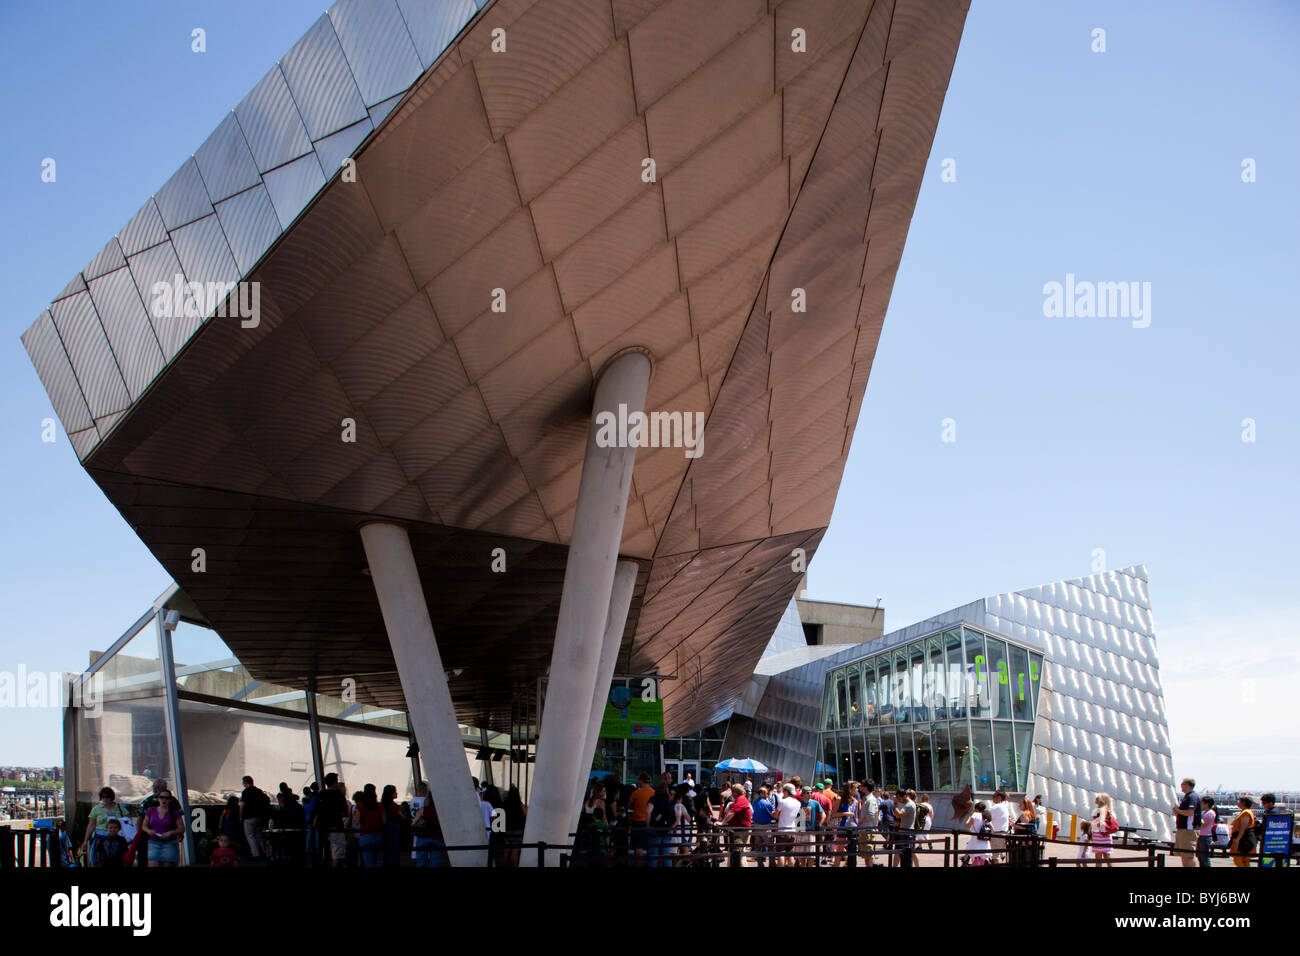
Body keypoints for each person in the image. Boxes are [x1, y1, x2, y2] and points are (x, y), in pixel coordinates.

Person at [83, 786, 132, 867]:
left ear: (111, 797)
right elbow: (91, 825)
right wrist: (85, 840)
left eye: (107, 797)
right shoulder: (97, 809)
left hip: (116, 836)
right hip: (100, 836)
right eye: (102, 797)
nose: (105, 799)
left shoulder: (119, 808)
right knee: (96, 858)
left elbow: (128, 820)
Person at [311, 772, 348, 868]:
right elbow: (345, 812)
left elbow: (316, 810)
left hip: (322, 827)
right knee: (338, 854)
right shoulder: (338, 795)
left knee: (325, 852)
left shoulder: (320, 795)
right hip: (336, 827)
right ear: (335, 782)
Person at [142, 789, 185, 867]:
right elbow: (144, 825)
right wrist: (149, 831)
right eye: (162, 797)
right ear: (158, 799)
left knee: (167, 864)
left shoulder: (174, 812)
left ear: (170, 800)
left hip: (169, 843)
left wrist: (170, 833)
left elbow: (182, 828)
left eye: (167, 798)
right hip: (153, 842)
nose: (164, 800)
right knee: (152, 864)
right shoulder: (151, 810)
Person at [352, 788, 386, 867]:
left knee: (368, 862)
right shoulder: (380, 806)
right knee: (375, 860)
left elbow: (357, 821)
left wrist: (354, 815)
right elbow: (384, 821)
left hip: (365, 836)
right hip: (378, 836)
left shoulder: (360, 805)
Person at [239, 775, 271, 860]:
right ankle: (263, 852)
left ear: (246, 782)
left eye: (243, 783)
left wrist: (240, 816)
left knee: (250, 835)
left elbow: (242, 805)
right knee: (258, 835)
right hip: (259, 817)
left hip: (249, 817)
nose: (243, 784)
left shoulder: (246, 792)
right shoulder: (259, 791)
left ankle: (255, 854)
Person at [1171, 777, 1201, 867]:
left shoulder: (1192, 797)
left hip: (1188, 830)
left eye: (1182, 784)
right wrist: (1177, 812)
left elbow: (1190, 812)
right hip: (1183, 829)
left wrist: (1178, 810)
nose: (1181, 786)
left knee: (1188, 856)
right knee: (1184, 855)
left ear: (1188, 785)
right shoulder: (1187, 797)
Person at [626, 773, 655, 861]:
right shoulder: (654, 792)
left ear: (641, 780)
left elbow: (629, 806)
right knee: (650, 845)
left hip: (637, 821)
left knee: (638, 847)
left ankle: (638, 864)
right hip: (650, 821)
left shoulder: (636, 793)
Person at [720, 783, 752, 860]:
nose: (731, 793)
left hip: (740, 831)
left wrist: (722, 822)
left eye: (732, 791)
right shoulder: (739, 799)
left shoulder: (741, 799)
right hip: (737, 830)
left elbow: (732, 812)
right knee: (737, 854)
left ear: (735, 792)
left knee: (738, 854)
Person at [411, 798, 446, 868]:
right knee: (435, 862)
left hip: (423, 838)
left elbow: (413, 824)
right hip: (437, 839)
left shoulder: (423, 810)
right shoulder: (442, 810)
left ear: (429, 800)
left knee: (421, 862)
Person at [775, 783, 802, 867]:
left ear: (786, 791)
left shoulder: (782, 802)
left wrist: (776, 814)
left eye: (783, 790)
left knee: (781, 853)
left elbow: (776, 815)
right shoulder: (798, 803)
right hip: (792, 830)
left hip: (782, 830)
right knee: (790, 853)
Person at [751, 785, 777, 867]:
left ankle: (760, 864)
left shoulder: (754, 803)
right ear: (761, 793)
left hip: (756, 827)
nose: (768, 794)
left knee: (758, 847)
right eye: (766, 793)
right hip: (766, 827)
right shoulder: (767, 803)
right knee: (770, 847)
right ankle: (772, 864)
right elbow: (773, 814)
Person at [1228, 796, 1256, 867]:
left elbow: (1243, 827)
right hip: (1244, 838)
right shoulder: (1246, 811)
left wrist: (1237, 840)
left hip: (1243, 839)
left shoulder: (1246, 812)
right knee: (1244, 859)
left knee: (1239, 859)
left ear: (1243, 803)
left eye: (1239, 801)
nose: (1238, 802)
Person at [503, 785, 527, 867]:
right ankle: (514, 865)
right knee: (515, 849)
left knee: (507, 848)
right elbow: (526, 815)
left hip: (508, 830)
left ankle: (504, 865)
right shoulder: (520, 804)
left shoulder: (505, 804)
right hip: (518, 830)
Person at [1091, 793, 1117, 867]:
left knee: (1099, 859)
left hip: (1100, 837)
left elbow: (1101, 825)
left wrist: (1095, 825)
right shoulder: (1105, 810)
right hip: (1103, 837)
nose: (1096, 799)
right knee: (1107, 858)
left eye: (1097, 798)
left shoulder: (1101, 810)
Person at [859, 780, 881, 865]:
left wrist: (860, 821)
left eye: (862, 786)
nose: (861, 788)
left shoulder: (870, 799)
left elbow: (871, 815)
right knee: (866, 855)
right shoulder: (867, 798)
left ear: (865, 787)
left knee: (869, 855)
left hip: (868, 830)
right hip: (866, 829)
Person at [894, 788, 917, 867]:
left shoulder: (909, 804)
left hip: (907, 833)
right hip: (905, 832)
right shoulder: (907, 804)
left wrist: (895, 804)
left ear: (904, 796)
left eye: (899, 798)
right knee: (903, 855)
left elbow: (899, 814)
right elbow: (897, 815)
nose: (899, 800)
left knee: (906, 856)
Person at [988, 789, 1012, 862]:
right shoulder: (1005, 806)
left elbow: (986, 817)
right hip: (1003, 833)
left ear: (999, 797)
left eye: (994, 796)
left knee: (995, 857)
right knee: (996, 855)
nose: (992, 798)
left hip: (997, 834)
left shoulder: (996, 807)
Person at [966, 801, 992, 866]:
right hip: (985, 842)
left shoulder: (975, 814)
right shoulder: (986, 816)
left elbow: (967, 825)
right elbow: (993, 830)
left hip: (975, 841)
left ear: (976, 809)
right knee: (981, 861)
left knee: (975, 861)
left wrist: (970, 816)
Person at [1196, 796, 1217, 868]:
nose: (1201, 804)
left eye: (1202, 803)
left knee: (1204, 856)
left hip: (1206, 836)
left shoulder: (1211, 813)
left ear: (1207, 804)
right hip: (1200, 835)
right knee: (1199, 856)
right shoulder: (1203, 812)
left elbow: (1204, 824)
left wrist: (1198, 817)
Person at [878, 787, 896, 867]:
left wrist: (878, 817)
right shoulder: (893, 802)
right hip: (892, 819)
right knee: (889, 832)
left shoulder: (883, 803)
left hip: (886, 819)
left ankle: (887, 843)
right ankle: (888, 843)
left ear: (883, 797)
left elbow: (878, 810)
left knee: (881, 830)